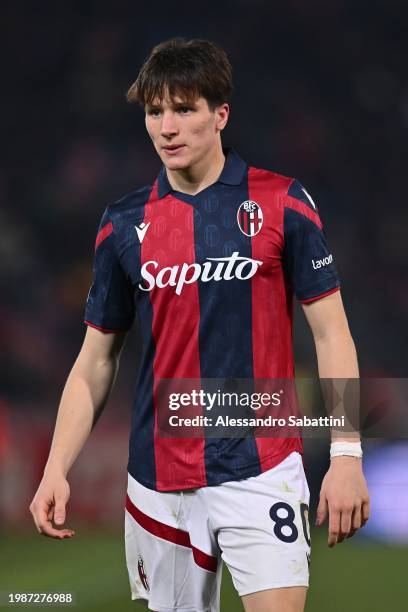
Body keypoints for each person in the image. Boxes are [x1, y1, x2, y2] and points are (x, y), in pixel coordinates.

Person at [30, 38, 370, 612]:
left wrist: (346, 455)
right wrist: (56, 467)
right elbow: (95, 360)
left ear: (220, 114)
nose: (167, 126)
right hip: (159, 480)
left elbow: (332, 333)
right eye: (154, 111)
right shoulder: (123, 225)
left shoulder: (283, 203)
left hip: (262, 466)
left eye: (184, 109)